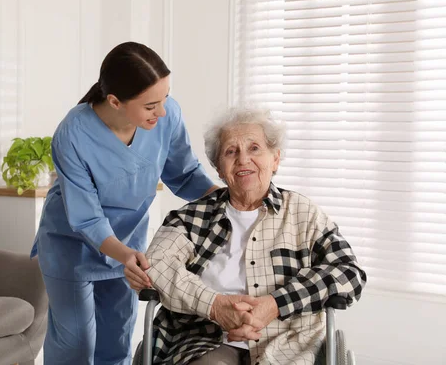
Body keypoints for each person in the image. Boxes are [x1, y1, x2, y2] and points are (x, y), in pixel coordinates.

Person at [130, 104, 367, 365]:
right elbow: (155, 264)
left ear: (275, 158)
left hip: (288, 344)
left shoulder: (304, 214)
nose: (243, 159)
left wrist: (275, 304)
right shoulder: (191, 218)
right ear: (219, 168)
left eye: (254, 148)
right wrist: (215, 306)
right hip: (206, 341)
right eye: (231, 152)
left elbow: (348, 272)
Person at [30, 41, 219, 365]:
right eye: (150, 106)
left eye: (165, 98)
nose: (161, 111)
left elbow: (185, 175)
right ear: (115, 101)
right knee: (76, 345)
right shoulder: (73, 134)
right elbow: (87, 218)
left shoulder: (167, 115)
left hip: (128, 244)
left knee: (116, 343)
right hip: (71, 245)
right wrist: (124, 254)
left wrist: (227, 199)